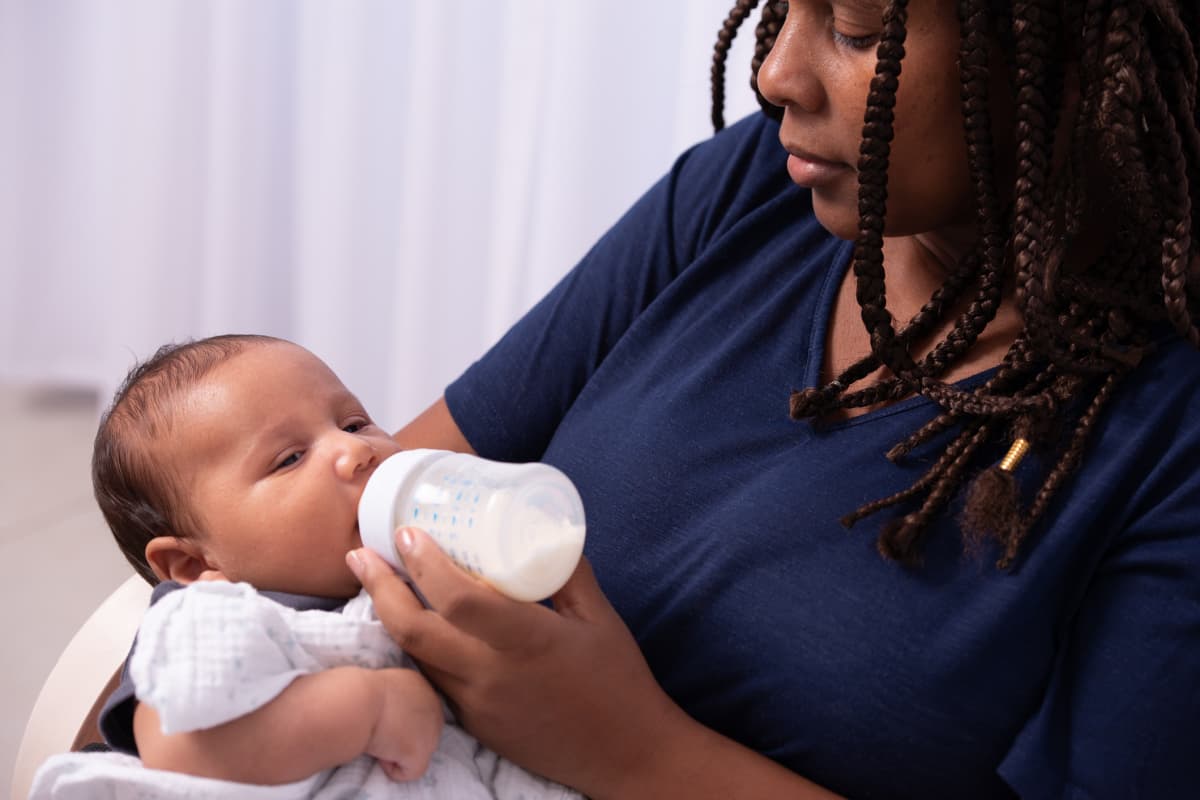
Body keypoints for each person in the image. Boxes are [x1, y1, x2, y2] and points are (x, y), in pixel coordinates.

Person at [339, 1, 1200, 798]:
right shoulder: (760, 186)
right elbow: (354, 502)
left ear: (1070, 54)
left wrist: (635, 751)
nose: (776, 74)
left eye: (857, 28)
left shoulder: (1169, 433)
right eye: (782, 7)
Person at [31, 334, 580, 800]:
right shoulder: (212, 617)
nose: (354, 451)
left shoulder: (423, 573)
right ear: (197, 564)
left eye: (354, 422)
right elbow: (179, 743)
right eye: (289, 458)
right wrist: (371, 709)